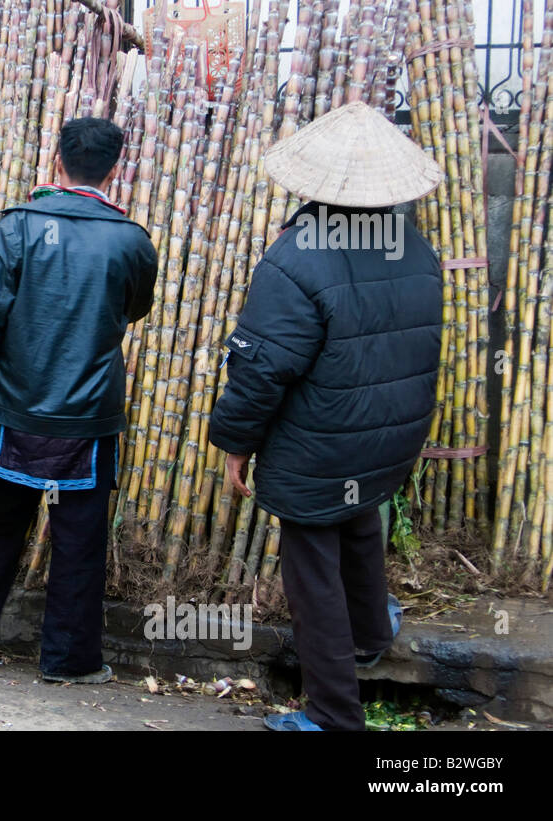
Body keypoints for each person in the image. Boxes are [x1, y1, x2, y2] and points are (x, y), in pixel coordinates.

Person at [207, 102, 445, 731]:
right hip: (389, 435)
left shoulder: (294, 260)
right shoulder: (414, 247)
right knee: (359, 519)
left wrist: (235, 442)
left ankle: (335, 714)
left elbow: (261, 370)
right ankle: (369, 634)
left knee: (311, 566)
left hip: (319, 443)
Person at [0, 117, 158, 683]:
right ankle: (68, 661)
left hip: (10, 411)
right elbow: (134, 311)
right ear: (117, 168)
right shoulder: (131, 239)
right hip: (87, 418)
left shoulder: (17, 226)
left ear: (57, 159)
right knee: (78, 540)